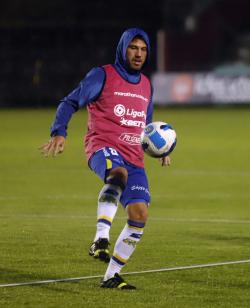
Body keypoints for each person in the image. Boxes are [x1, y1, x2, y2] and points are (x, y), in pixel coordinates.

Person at [40, 28, 170, 289]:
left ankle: (111, 276)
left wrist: (161, 149)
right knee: (117, 174)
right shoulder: (103, 75)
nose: (139, 54)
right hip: (103, 146)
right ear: (123, 48)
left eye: (143, 49)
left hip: (135, 157)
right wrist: (59, 131)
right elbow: (69, 102)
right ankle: (100, 238)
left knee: (139, 213)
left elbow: (146, 125)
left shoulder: (146, 84)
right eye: (133, 47)